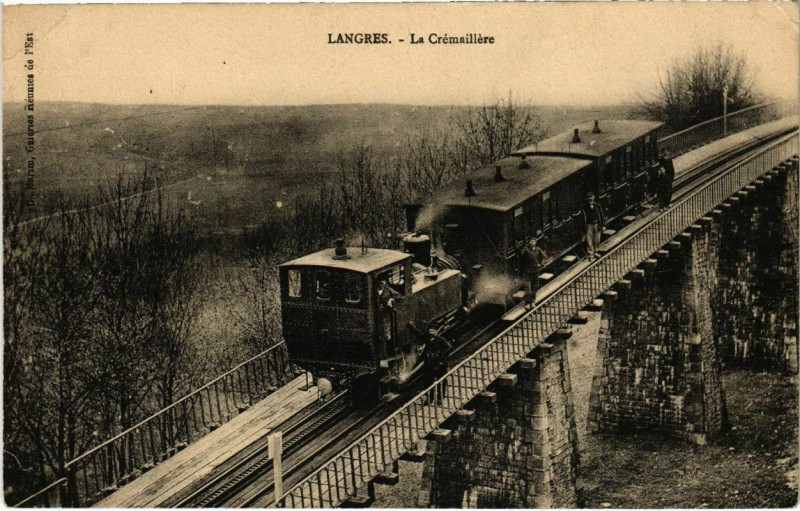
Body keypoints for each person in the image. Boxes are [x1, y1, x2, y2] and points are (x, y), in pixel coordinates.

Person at [519, 236, 547, 308]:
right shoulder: (526, 249)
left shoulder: (538, 249)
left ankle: (532, 301)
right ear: (528, 242)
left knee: (535, 287)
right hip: (526, 271)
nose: (532, 243)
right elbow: (521, 255)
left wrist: (541, 264)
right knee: (527, 288)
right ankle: (527, 303)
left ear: (536, 242)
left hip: (535, 271)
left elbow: (544, 257)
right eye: (531, 241)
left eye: (533, 241)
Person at [582, 193, 606, 261]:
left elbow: (601, 215)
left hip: (597, 224)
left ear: (593, 197)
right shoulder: (585, 207)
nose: (590, 199)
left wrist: (603, 225)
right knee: (589, 239)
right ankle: (591, 253)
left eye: (591, 197)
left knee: (597, 238)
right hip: (589, 224)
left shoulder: (597, 205)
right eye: (589, 198)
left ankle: (596, 251)